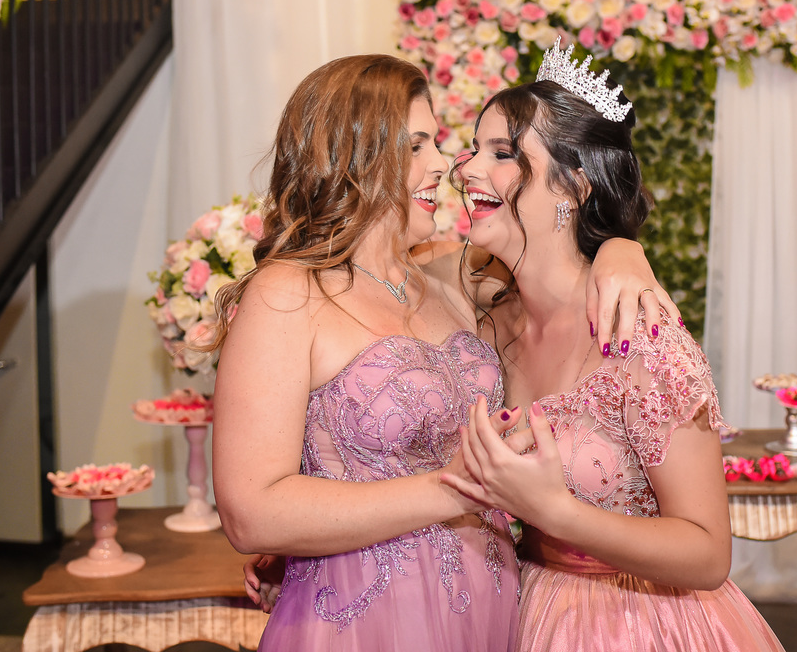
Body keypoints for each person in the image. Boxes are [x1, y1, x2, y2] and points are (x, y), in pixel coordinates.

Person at [208, 53, 674, 650]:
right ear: (351, 158)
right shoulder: (288, 293)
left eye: (437, 143)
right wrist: (454, 488)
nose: (444, 164)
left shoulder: (449, 280)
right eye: (416, 147)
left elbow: (557, 253)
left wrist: (621, 251)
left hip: (492, 613)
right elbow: (251, 514)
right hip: (366, 622)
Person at [441, 41, 786, 651]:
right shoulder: (484, 311)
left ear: (573, 186)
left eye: (502, 153)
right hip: (520, 606)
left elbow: (708, 553)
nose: (466, 169)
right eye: (474, 148)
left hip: (641, 623)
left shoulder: (641, 337)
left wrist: (557, 512)